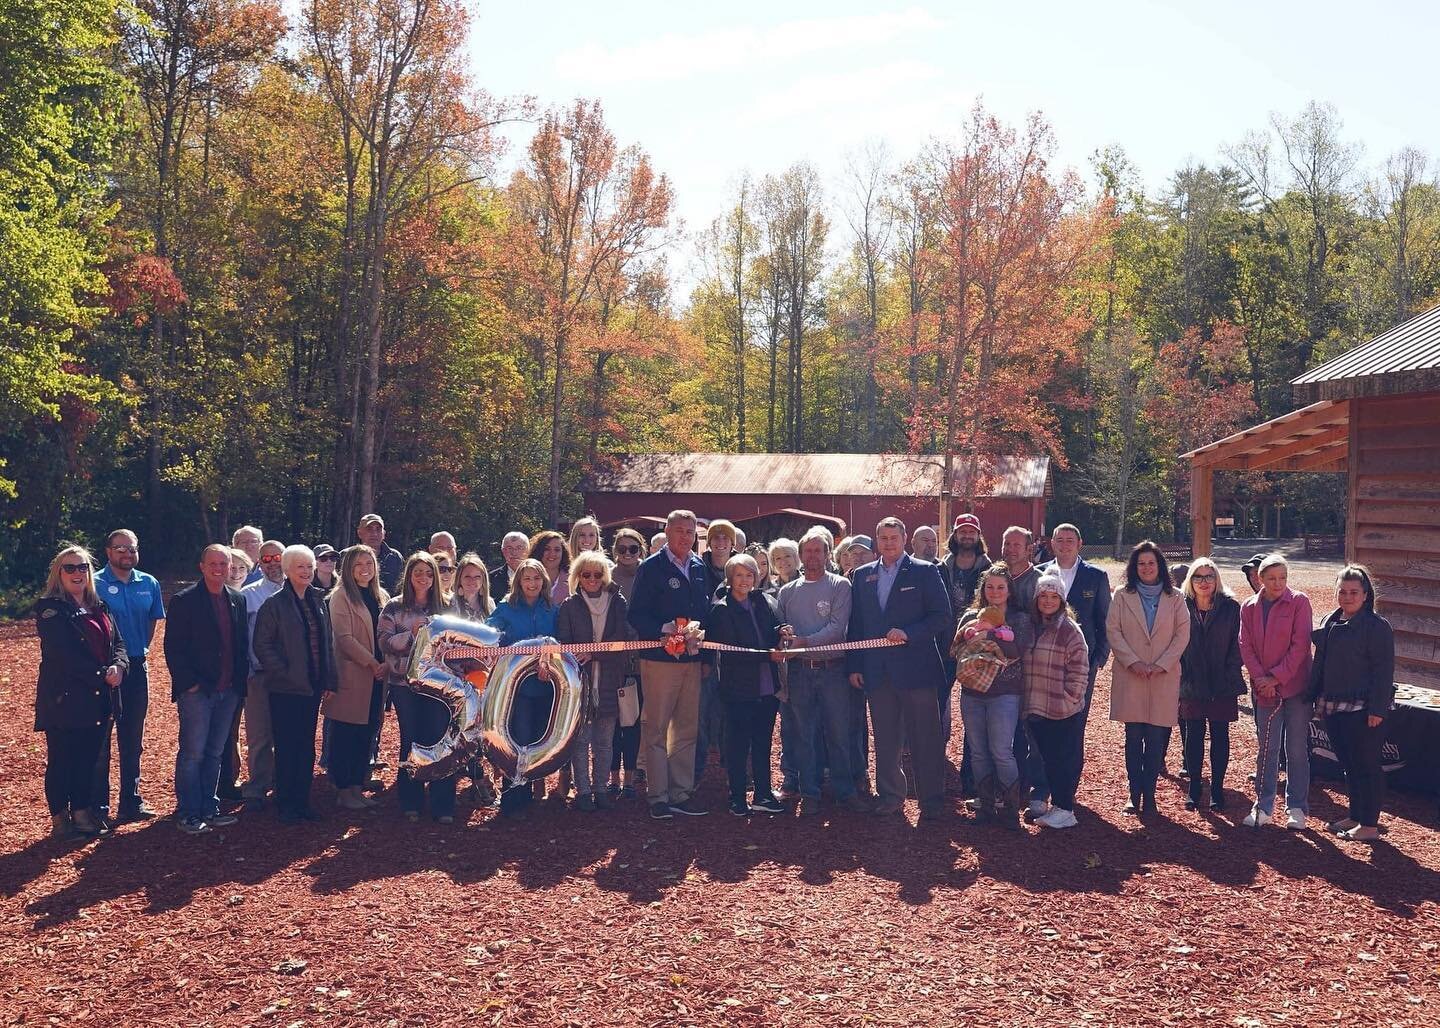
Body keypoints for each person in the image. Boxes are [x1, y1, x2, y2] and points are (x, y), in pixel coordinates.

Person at [847, 517, 954, 822]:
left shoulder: (925, 571)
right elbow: (857, 625)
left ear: (905, 538)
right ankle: (891, 796)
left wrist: (909, 632)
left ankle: (931, 800)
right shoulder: (863, 576)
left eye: (894, 537)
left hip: (917, 669)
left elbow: (941, 617)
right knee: (886, 738)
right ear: (876, 541)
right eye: (883, 538)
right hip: (877, 671)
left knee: (926, 738)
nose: (889, 543)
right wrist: (855, 665)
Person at [35, 546, 128, 839]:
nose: (77, 573)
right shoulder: (50, 609)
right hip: (64, 699)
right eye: (70, 568)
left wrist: (120, 667)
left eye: (82, 567)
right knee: (63, 759)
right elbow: (64, 654)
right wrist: (103, 675)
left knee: (88, 758)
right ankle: (60, 817)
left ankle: (82, 812)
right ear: (58, 574)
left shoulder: (100, 606)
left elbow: (119, 643)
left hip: (98, 697)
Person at [627, 509, 714, 820]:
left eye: (690, 532)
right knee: (656, 728)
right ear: (667, 531)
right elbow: (635, 614)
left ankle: (681, 793)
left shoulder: (699, 566)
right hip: (660, 661)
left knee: (687, 728)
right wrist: (663, 630)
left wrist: (703, 654)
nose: (685, 537)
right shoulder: (652, 567)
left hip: (691, 660)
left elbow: (704, 613)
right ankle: (658, 796)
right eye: (679, 531)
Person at [777, 528, 868, 815]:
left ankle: (845, 791)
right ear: (801, 555)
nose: (813, 556)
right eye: (808, 551)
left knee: (839, 732)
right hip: (800, 672)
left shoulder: (840, 585)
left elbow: (837, 628)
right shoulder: (787, 591)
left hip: (833, 671)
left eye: (818, 550)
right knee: (804, 734)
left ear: (828, 554)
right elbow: (780, 628)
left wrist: (804, 642)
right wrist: (785, 635)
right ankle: (810, 792)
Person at [1308, 565, 1395, 842]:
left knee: (1367, 765)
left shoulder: (1376, 627)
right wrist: (1313, 696)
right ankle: (1355, 816)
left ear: (1366, 594)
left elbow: (1384, 671)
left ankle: (1370, 825)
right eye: (1342, 591)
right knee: (1349, 763)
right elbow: (1320, 665)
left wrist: (1377, 709)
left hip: (1364, 709)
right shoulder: (1330, 622)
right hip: (1333, 706)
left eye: (1354, 592)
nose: (1347, 597)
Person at [165, 545, 248, 834]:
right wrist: (190, 684)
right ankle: (188, 812)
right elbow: (173, 648)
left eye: (224, 564)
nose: (219, 568)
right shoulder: (184, 601)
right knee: (193, 753)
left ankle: (209, 808)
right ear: (201, 566)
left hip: (229, 691)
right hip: (198, 692)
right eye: (213, 563)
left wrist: (239, 685)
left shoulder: (237, 599)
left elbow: (240, 646)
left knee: (215, 753)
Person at [1107, 540, 1190, 815]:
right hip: (1132, 676)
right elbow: (1114, 631)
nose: (1146, 568)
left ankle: (1150, 794)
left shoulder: (1176, 597)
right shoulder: (1122, 595)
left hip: (1162, 676)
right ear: (1134, 567)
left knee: (1156, 740)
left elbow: (1182, 635)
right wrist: (1133, 662)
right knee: (1133, 738)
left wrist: (1161, 664)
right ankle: (1134, 793)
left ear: (1159, 566)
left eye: (1151, 563)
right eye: (1141, 563)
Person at [704, 554, 788, 817]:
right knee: (737, 744)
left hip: (766, 685)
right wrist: (768, 654)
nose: (744, 580)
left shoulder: (763, 601)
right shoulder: (721, 608)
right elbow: (734, 648)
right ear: (730, 578)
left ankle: (763, 794)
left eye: (749, 575)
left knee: (763, 743)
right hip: (738, 688)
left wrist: (783, 632)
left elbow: (772, 629)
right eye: (739, 575)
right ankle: (737, 796)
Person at [952, 562, 1034, 829]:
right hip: (972, 691)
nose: (996, 591)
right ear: (983, 590)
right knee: (978, 752)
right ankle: (985, 806)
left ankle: (1010, 811)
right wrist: (973, 634)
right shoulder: (970, 617)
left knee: (1001, 750)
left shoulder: (1019, 619)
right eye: (990, 587)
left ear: (1009, 590)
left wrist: (989, 636)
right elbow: (956, 648)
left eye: (1001, 587)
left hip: (1005, 693)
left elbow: (1018, 650)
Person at [93, 529, 165, 823]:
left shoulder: (149, 583)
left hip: (136, 666)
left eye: (132, 549)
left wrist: (140, 650)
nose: (126, 554)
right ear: (108, 551)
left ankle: (130, 802)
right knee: (100, 740)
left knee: (132, 738)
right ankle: (98, 808)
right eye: (120, 548)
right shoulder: (93, 583)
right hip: (104, 671)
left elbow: (151, 622)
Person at [380, 552, 458, 823]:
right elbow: (384, 642)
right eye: (417, 573)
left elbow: (459, 643)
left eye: (428, 573)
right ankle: (410, 800)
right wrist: (411, 634)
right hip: (404, 684)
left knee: (439, 738)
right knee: (410, 739)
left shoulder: (448, 607)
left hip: (440, 684)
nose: (423, 578)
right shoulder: (394, 607)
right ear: (409, 577)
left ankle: (442, 804)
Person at [1238, 554, 1314, 829]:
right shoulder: (1248, 607)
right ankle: (1264, 804)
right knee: (1267, 749)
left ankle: (1297, 807)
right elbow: (1245, 644)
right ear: (1260, 579)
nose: (1278, 583)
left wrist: (1276, 677)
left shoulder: (1299, 602)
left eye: (1282, 577)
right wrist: (1261, 679)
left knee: (1295, 748)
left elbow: (1300, 645)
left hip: (1295, 688)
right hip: (1265, 692)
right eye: (1271, 578)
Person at [556, 553, 637, 811]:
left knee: (605, 741)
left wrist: (593, 652)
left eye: (598, 574)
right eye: (586, 574)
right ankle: (583, 791)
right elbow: (564, 644)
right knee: (581, 741)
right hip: (580, 682)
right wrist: (586, 655)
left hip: (610, 680)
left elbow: (620, 640)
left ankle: (601, 788)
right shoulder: (569, 606)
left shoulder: (617, 602)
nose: (592, 580)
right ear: (577, 576)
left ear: (606, 576)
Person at [487, 558, 559, 819]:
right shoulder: (506, 608)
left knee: (537, 738)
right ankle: (510, 799)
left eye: (537, 578)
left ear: (544, 581)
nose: (532, 583)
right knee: (518, 738)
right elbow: (489, 630)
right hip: (517, 690)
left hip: (546, 687)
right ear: (518, 581)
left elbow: (563, 643)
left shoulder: (552, 609)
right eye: (527, 578)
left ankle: (526, 795)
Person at [1036, 523, 1111, 770]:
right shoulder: (1039, 573)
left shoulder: (1096, 576)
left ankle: (1068, 783)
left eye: (1070, 540)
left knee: (1075, 721)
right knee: (1041, 720)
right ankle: (1042, 782)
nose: (1065, 544)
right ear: (1052, 543)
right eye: (1060, 540)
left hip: (1081, 663)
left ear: (1080, 544)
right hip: (1043, 663)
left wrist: (1099, 657)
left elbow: (1105, 620)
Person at [1023, 574, 1091, 830]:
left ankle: (1065, 808)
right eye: (1043, 596)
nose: (1048, 601)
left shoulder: (1069, 630)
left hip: (1061, 709)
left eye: (1054, 596)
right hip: (1036, 705)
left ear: (1062, 600)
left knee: (1061, 759)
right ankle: (1057, 805)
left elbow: (1080, 669)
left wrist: (1070, 698)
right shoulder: (1031, 626)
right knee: (1048, 759)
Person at [325, 545, 389, 812]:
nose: (365, 569)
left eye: (369, 563)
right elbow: (344, 638)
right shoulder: (340, 597)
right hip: (354, 675)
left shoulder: (381, 596)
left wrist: (386, 663)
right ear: (348, 569)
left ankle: (356, 787)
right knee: (346, 735)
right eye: (359, 564)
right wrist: (373, 662)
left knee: (367, 733)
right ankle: (343, 790)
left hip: (378, 677)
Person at [1178, 558, 1244, 811]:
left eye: (1209, 577)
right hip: (1191, 680)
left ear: (1217, 580)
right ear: (1190, 581)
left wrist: (1227, 673)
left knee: (1220, 735)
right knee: (1193, 734)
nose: (1204, 582)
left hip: (1222, 682)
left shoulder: (1230, 608)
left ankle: (1217, 787)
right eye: (1198, 577)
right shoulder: (1181, 607)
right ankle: (1195, 785)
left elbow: (1239, 646)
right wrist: (1183, 672)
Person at [238, 539, 285, 809]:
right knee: (258, 734)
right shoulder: (248, 595)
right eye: (265, 559)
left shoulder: (299, 590)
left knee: (286, 731)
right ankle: (257, 785)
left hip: (291, 677)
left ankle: (283, 782)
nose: (272, 563)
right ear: (260, 564)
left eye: (277, 557)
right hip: (258, 675)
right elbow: (241, 637)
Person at [696, 519, 739, 785]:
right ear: (709, 542)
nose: (721, 543)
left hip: (736, 657)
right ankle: (699, 772)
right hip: (706, 653)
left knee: (732, 714)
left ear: (733, 543)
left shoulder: (742, 568)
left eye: (726, 538)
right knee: (702, 714)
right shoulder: (698, 569)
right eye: (716, 538)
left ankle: (733, 771)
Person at [607, 529, 648, 798]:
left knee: (633, 720)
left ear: (641, 550)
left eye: (632, 549)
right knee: (612, 721)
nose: (627, 554)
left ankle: (632, 778)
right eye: (621, 549)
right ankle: (612, 778)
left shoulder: (649, 574)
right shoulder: (606, 577)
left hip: (642, 660)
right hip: (611, 660)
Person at [358, 514, 404, 593]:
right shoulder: (347, 556)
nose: (374, 534)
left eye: (378, 529)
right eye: (369, 529)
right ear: (359, 533)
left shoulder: (395, 557)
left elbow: (403, 587)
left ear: (384, 534)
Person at [529, 530, 570, 604]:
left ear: (563, 553)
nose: (552, 553)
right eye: (547, 549)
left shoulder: (572, 581)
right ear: (539, 551)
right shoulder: (526, 579)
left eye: (557, 550)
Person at [490, 531, 530, 604]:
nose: (514, 552)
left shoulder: (538, 576)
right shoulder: (491, 579)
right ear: (503, 551)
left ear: (527, 550)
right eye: (509, 548)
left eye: (519, 548)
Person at [454, 552, 495, 620]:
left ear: (483, 580)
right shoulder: (451, 603)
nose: (472, 581)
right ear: (459, 579)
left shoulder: (490, 604)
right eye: (467, 576)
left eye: (477, 577)